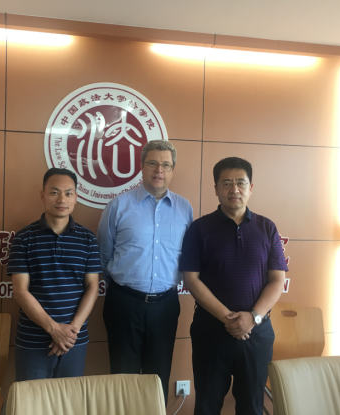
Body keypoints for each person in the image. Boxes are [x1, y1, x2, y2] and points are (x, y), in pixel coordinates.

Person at [180, 157, 288, 415]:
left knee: (252, 406)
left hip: (257, 334)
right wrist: (229, 319)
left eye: (241, 183)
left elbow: (277, 280)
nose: (234, 189)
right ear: (216, 189)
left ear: (251, 188)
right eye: (226, 183)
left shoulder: (267, 227)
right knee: (207, 406)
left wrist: (252, 318)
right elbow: (191, 279)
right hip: (211, 332)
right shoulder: (199, 228)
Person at [97, 140, 193, 404]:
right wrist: (125, 289)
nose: (159, 170)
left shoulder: (184, 208)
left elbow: (187, 255)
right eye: (152, 163)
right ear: (141, 167)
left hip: (166, 305)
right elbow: (104, 254)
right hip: (124, 303)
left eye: (166, 165)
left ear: (172, 169)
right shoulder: (119, 205)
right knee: (122, 378)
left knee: (158, 377)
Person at [7, 168, 101, 381]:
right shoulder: (23, 238)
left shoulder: (87, 239)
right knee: (31, 399)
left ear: (76, 198)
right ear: (42, 195)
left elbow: (92, 287)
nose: (62, 199)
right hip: (33, 340)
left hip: (74, 341)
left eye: (68, 193)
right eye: (54, 192)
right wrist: (53, 329)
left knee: (69, 399)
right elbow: (20, 291)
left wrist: (70, 332)